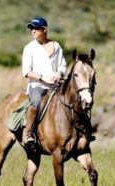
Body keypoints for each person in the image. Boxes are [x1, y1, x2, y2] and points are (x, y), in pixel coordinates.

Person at [22, 17, 67, 149]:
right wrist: (43, 78)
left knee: (75, 99)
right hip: (37, 86)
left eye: (36, 28)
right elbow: (26, 72)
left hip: (55, 86)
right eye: (31, 28)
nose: (33, 31)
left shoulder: (56, 46)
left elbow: (63, 65)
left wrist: (59, 74)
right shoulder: (29, 48)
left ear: (45, 29)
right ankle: (28, 133)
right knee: (35, 103)